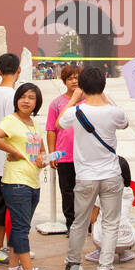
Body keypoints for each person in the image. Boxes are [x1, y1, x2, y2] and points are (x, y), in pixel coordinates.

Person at [57, 66, 128, 270]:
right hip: (111, 175)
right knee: (110, 222)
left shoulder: (75, 113)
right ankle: (104, 269)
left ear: (82, 87)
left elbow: (59, 123)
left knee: (80, 220)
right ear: (103, 85)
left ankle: (72, 263)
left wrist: (74, 99)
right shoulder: (114, 112)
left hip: (85, 176)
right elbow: (124, 124)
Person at [0, 82, 50, 270]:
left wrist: (42, 158)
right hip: (16, 182)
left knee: (19, 226)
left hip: (32, 180)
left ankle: (14, 267)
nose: (26, 101)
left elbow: (40, 149)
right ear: (17, 100)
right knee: (21, 228)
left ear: (37, 102)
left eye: (31, 98)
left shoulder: (34, 124)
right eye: (23, 96)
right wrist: (14, 152)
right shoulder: (10, 121)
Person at [0, 53, 23, 265]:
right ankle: (15, 249)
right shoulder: (14, 95)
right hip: (10, 157)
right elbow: (14, 128)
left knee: (1, 207)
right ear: (19, 70)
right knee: (14, 208)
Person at [45, 64, 81, 232]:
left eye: (76, 77)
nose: (74, 81)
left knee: (85, 191)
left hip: (85, 155)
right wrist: (52, 154)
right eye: (70, 78)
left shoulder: (89, 100)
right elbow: (51, 129)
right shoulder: (57, 103)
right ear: (64, 81)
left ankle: (87, 223)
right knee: (67, 192)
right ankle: (71, 224)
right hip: (64, 155)